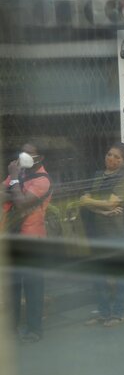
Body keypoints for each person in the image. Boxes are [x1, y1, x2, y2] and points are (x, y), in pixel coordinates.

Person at [80, 143, 124, 326]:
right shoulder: (97, 176)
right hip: (96, 231)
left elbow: (111, 204)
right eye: (109, 154)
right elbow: (83, 201)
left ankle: (118, 313)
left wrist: (92, 202)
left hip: (117, 233)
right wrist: (102, 210)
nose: (111, 159)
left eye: (117, 157)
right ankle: (103, 312)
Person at [3, 145, 52, 343]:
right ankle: (12, 329)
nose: (23, 156)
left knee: (33, 286)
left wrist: (13, 181)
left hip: (32, 238)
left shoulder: (43, 180)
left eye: (29, 152)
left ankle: (34, 329)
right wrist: (15, 193)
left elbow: (23, 203)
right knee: (13, 286)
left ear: (40, 156)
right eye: (22, 151)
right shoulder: (21, 173)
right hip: (13, 236)